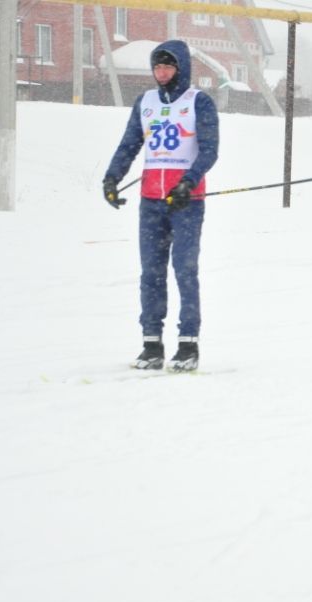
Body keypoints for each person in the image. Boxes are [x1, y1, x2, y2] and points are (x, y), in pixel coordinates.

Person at [103, 40, 220, 372]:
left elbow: (210, 149)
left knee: (184, 270)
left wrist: (189, 180)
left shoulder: (199, 102)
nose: (162, 73)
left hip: (186, 201)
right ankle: (151, 344)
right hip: (151, 202)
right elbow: (129, 144)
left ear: (180, 68)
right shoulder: (146, 102)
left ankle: (188, 345)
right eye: (157, 67)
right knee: (151, 274)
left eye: (168, 67)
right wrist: (112, 178)